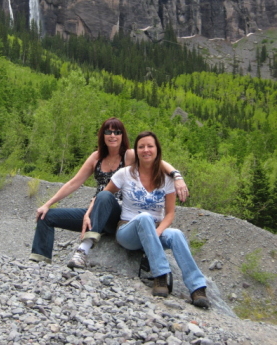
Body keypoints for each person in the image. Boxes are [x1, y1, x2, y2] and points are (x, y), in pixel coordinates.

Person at [29, 118, 189, 268]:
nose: (113, 135)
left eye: (117, 132)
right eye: (108, 132)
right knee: (47, 216)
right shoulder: (96, 157)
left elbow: (156, 160)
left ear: (122, 136)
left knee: (105, 196)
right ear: (102, 135)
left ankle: (83, 250)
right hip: (95, 211)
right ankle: (40, 264)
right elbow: (73, 182)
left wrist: (177, 176)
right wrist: (47, 204)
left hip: (118, 215)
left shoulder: (129, 155)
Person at [97, 131, 210, 308]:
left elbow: (170, 214)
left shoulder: (166, 180)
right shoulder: (125, 174)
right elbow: (103, 197)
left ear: (157, 150)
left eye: (150, 146)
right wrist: (90, 215)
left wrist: (157, 232)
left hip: (154, 230)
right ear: (137, 151)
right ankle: (160, 277)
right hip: (128, 231)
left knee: (176, 234)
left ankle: (197, 288)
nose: (146, 150)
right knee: (144, 217)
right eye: (141, 147)